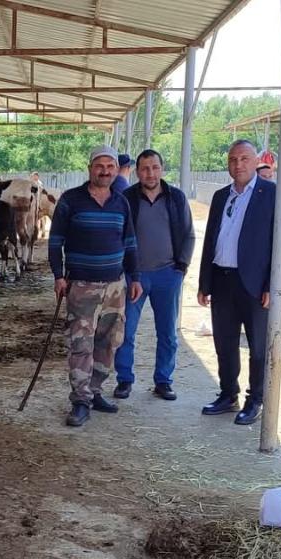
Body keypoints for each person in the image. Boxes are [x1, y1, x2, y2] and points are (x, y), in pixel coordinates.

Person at [49, 145, 144, 427]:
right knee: (81, 343)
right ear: (90, 168)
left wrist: (134, 276)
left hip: (115, 285)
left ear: (117, 170)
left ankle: (95, 390)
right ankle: (80, 400)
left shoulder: (121, 201)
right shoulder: (71, 200)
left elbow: (130, 242)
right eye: (100, 166)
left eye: (110, 166)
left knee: (108, 342)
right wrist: (58, 275)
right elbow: (56, 242)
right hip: (81, 286)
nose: (105, 171)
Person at [198, 139, 275, 425]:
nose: (238, 165)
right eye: (233, 159)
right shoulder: (221, 196)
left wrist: (271, 284)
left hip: (254, 284)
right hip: (222, 279)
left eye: (244, 159)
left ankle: (255, 399)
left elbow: (280, 242)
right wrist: (205, 282)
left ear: (256, 161)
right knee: (224, 342)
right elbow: (210, 241)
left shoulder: (272, 194)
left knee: (257, 346)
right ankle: (228, 393)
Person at [114, 150, 195, 401]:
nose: (150, 173)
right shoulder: (126, 198)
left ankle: (163, 380)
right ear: (137, 171)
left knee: (168, 332)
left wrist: (180, 268)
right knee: (126, 331)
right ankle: (124, 380)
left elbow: (189, 235)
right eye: (145, 168)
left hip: (167, 275)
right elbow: (118, 236)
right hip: (134, 277)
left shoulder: (176, 198)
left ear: (162, 169)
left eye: (155, 167)